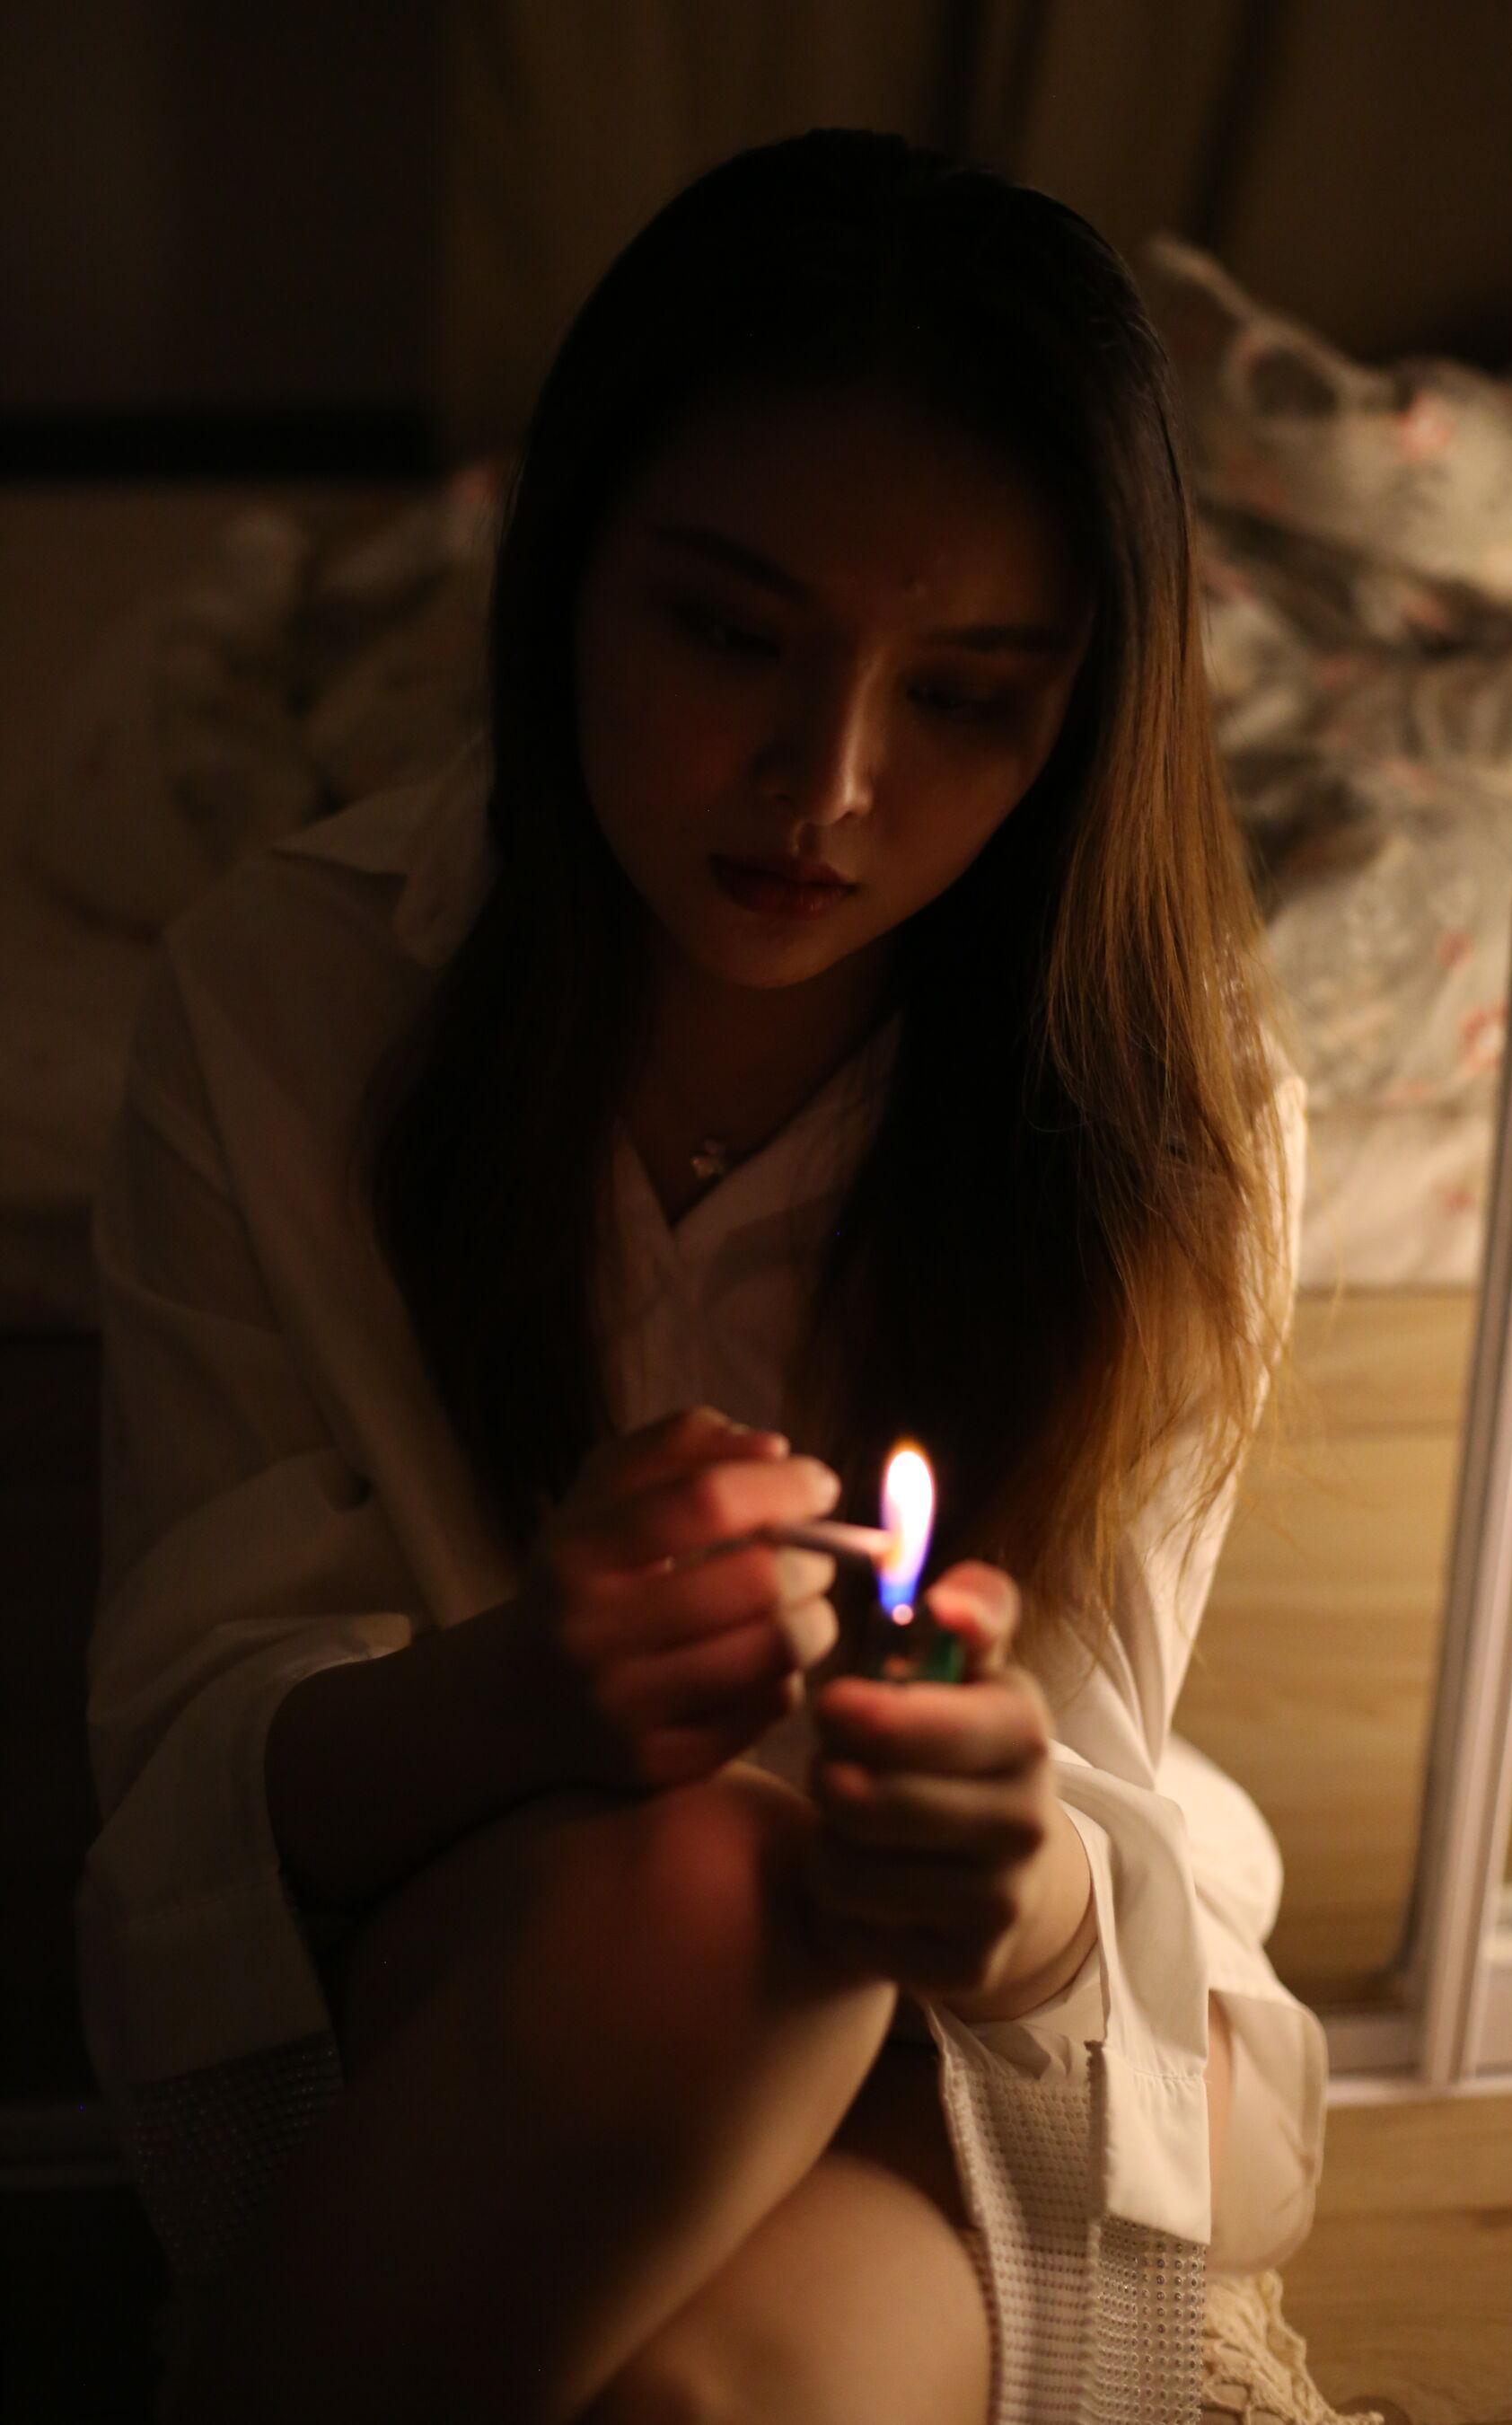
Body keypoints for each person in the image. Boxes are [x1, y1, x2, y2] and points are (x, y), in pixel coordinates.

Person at [77, 127, 1322, 2425]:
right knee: (708, 1903)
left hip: (961, 2063)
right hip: (500, 1960)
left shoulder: (1173, 1112)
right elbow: (190, 1790)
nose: (822, 786)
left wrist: (1016, 1891)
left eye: (966, 696)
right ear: (565, 568)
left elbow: (1092, 1779)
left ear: (1080, 714)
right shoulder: (291, 1001)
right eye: (732, 636)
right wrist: (520, 1698)